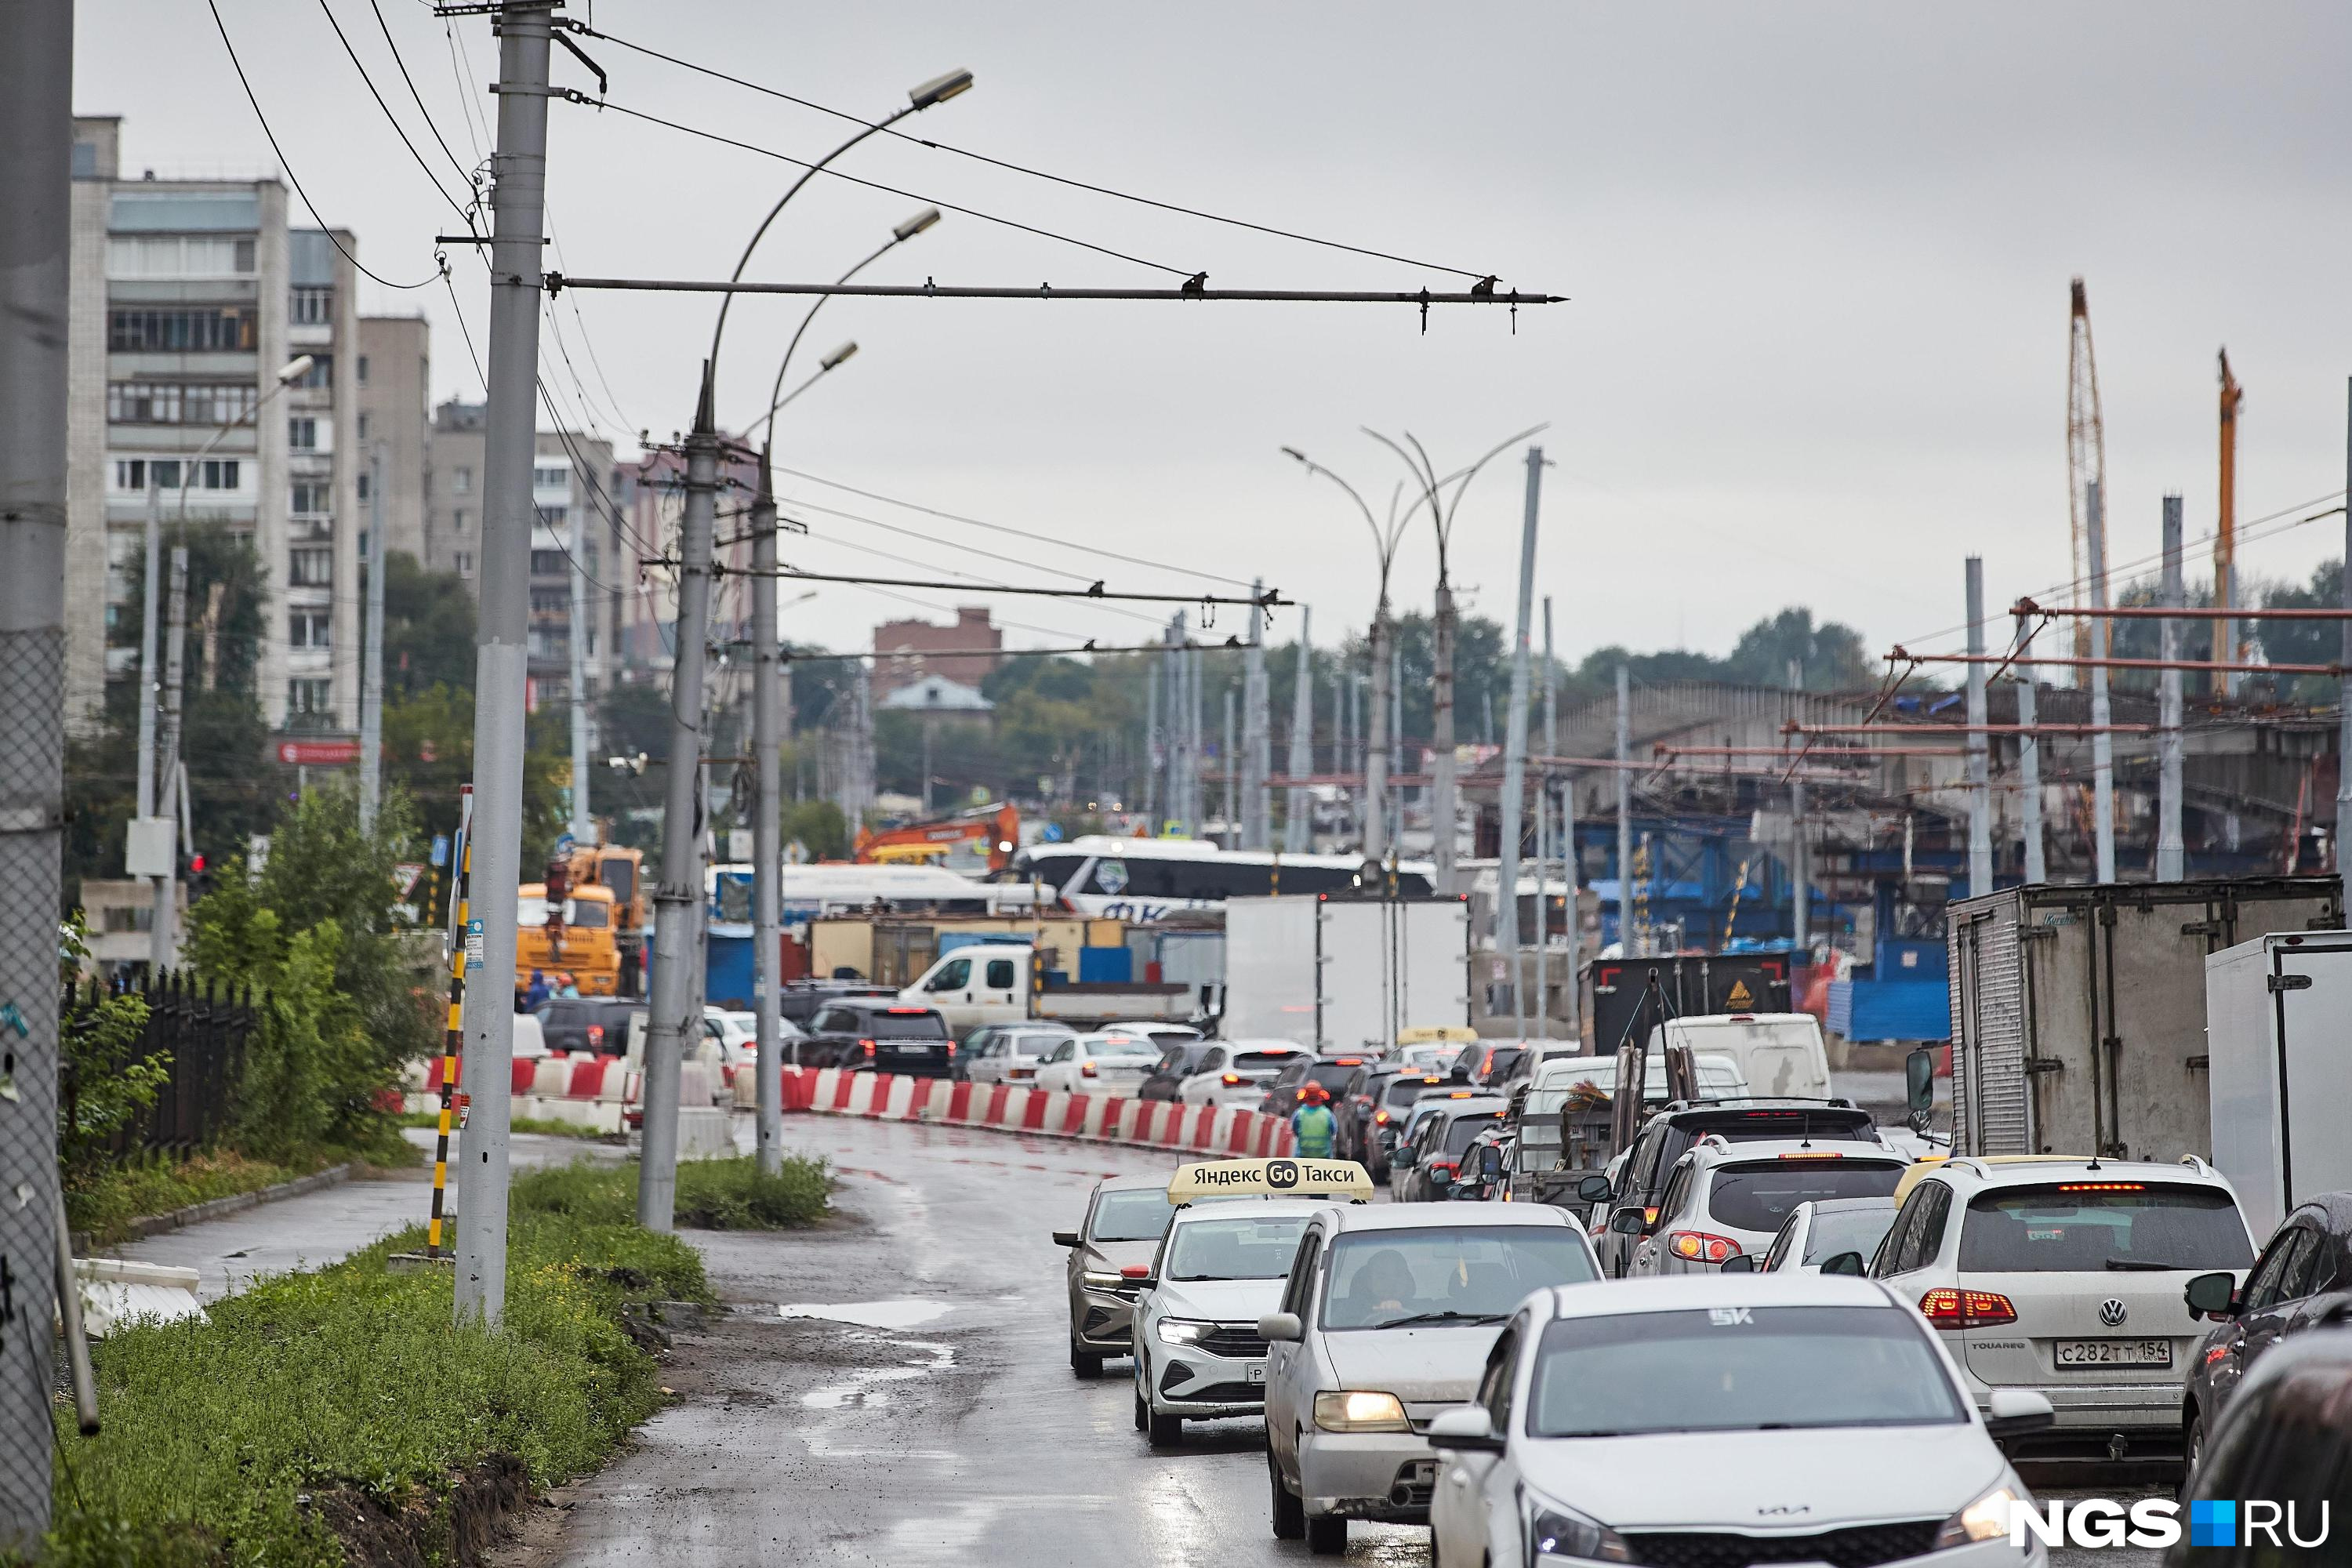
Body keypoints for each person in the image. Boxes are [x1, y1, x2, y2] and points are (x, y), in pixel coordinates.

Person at [1290, 1082, 1338, 1159]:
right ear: (1320, 1096)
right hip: (1324, 1157)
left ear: (1305, 1096)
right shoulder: (1327, 1114)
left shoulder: (1299, 1113)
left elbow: (1295, 1131)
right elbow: (1333, 1131)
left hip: (1303, 1156)